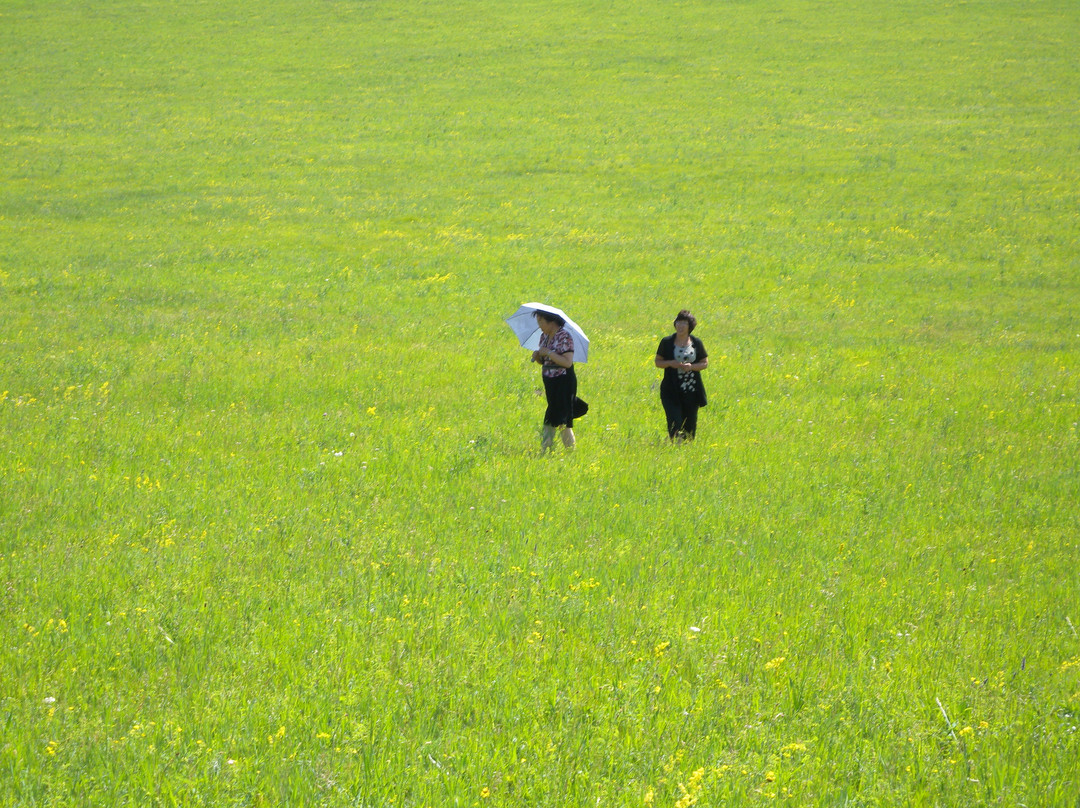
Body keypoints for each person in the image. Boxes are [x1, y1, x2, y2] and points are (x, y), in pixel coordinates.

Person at [654, 310, 709, 442]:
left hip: (691, 390)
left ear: (690, 326)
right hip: (671, 390)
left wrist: (691, 367)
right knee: (675, 420)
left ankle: (686, 448)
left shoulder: (696, 342)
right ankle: (675, 445)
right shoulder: (667, 342)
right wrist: (670, 363)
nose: (680, 325)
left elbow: (704, 363)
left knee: (690, 424)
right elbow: (658, 362)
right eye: (678, 322)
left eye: (684, 323)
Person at [531, 311, 577, 452]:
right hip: (550, 381)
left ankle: (548, 449)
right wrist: (538, 356)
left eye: (541, 322)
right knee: (558, 416)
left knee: (558, 417)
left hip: (563, 381)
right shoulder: (544, 337)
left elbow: (567, 362)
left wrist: (549, 353)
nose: (539, 326)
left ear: (552, 322)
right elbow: (544, 361)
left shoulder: (564, 337)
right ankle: (557, 449)